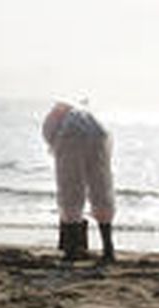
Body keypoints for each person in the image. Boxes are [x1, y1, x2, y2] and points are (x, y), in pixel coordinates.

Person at [42, 101, 116, 262]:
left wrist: (68, 219)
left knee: (70, 192)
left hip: (71, 134)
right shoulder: (84, 113)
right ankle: (108, 249)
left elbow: (68, 189)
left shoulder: (55, 121)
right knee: (101, 187)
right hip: (100, 133)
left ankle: (72, 249)